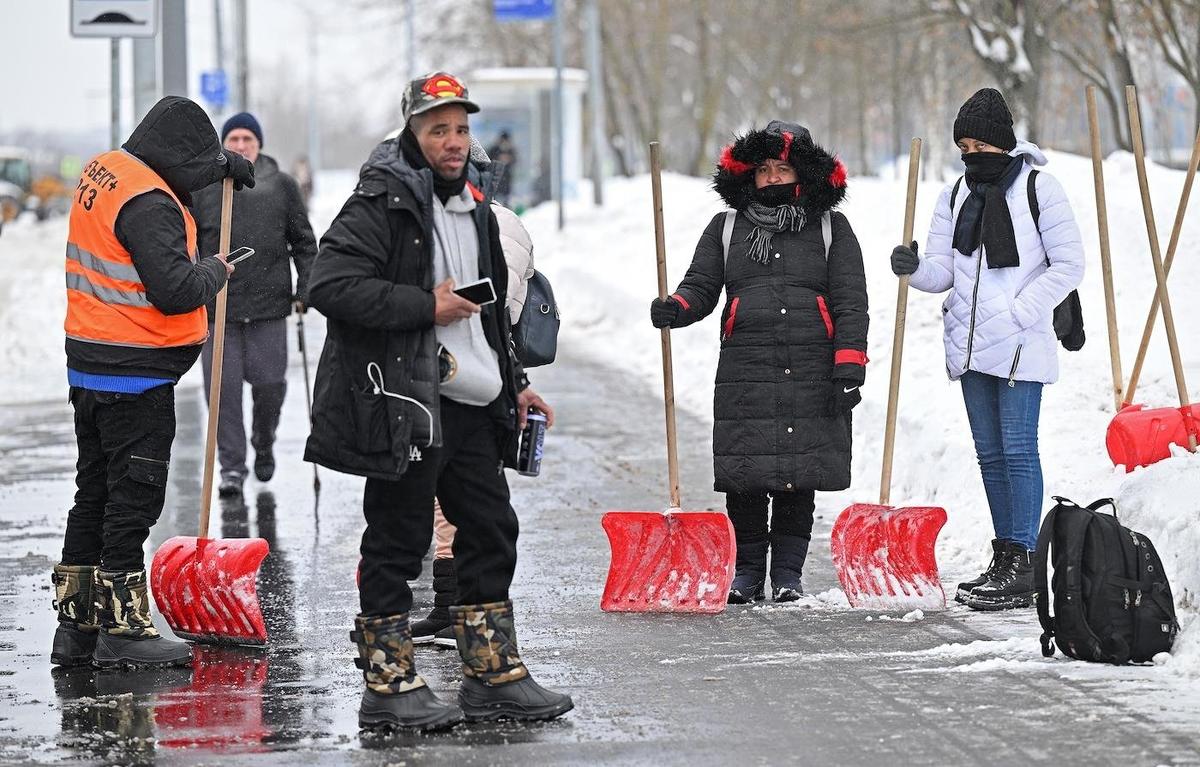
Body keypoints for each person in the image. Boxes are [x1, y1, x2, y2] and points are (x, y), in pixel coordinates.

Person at [304, 71, 573, 731]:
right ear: (413, 133)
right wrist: (425, 305)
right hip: (408, 400)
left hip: (475, 402)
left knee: (490, 530)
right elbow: (329, 284)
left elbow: (486, 315)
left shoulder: (477, 205)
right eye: (437, 129)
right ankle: (389, 685)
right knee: (398, 539)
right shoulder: (380, 201)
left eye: (460, 128)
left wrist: (516, 383)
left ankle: (493, 676)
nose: (452, 141)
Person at [52, 96, 254, 670]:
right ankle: (124, 628)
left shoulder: (111, 169)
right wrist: (218, 269)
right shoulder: (149, 204)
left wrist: (222, 168)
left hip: (92, 362)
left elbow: (180, 175)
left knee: (93, 494)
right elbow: (174, 288)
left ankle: (77, 630)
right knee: (131, 499)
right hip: (133, 374)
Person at [650, 121, 868, 604]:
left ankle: (787, 574)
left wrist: (850, 363)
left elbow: (852, 300)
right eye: (763, 169)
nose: (771, 178)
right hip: (746, 368)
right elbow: (701, 287)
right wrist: (677, 307)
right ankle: (746, 572)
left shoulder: (832, 229)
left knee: (798, 475)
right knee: (745, 473)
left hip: (812, 366)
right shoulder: (726, 227)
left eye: (782, 168)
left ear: (803, 173)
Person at [890, 87, 1084, 611]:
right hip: (970, 344)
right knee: (990, 454)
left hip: (1021, 341)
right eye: (964, 144)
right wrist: (914, 269)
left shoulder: (1040, 189)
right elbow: (943, 270)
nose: (971, 153)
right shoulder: (955, 196)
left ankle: (1023, 560)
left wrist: (1021, 313)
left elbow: (1069, 265)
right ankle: (1004, 556)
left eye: (980, 143)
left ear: (1003, 142)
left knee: (1019, 449)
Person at [411, 138, 537, 646]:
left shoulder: (497, 223)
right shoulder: (433, 219)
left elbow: (496, 300)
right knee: (444, 499)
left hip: (478, 370)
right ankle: (453, 609)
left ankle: (464, 614)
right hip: (446, 369)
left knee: (474, 504)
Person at [193, 112, 318, 497]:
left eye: (248, 138)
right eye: (234, 138)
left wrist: (306, 288)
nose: (241, 145)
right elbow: (188, 244)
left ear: (259, 144)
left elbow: (304, 242)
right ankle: (232, 467)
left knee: (269, 386)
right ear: (223, 143)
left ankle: (264, 441)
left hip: (269, 305)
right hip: (217, 309)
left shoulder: (281, 186)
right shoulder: (203, 188)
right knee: (222, 393)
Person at [486, 130, 517, 205]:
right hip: (495, 177)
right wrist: (498, 159)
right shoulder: (493, 149)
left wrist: (509, 160)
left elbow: (515, 160)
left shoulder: (511, 150)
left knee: (506, 199)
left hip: (507, 178)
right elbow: (488, 160)